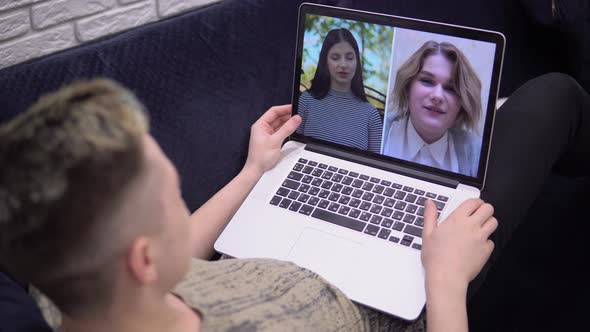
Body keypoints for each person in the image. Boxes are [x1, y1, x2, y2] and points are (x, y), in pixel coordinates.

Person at [1, 72, 589, 331]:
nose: (184, 203)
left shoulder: (63, 291)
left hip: (277, 258)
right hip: (404, 299)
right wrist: (447, 280)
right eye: (172, 197)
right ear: (144, 260)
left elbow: (182, 261)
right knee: (556, 96)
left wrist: (256, 172)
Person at [382, 41, 483, 176]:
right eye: (427, 81)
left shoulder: (475, 152)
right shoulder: (377, 130)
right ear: (408, 88)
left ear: (463, 103)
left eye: (451, 88)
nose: (437, 96)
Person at [297, 28, 383, 153]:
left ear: (356, 62)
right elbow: (292, 148)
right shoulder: (306, 101)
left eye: (349, 58)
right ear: (325, 62)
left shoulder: (371, 115)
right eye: (335, 57)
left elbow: (377, 166)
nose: (343, 64)